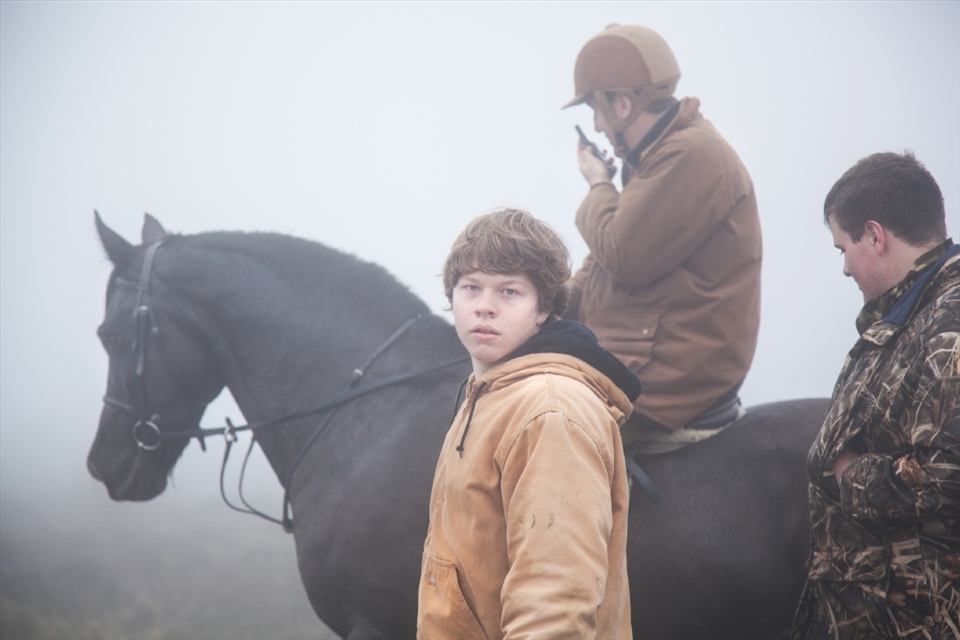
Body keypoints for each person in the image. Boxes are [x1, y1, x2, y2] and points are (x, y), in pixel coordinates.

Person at [416, 209, 641, 639]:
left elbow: (555, 601)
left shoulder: (550, 412)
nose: (485, 306)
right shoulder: (488, 391)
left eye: (509, 292)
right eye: (471, 288)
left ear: (544, 309)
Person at [563, 24, 762, 444]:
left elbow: (622, 253)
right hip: (637, 349)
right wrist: (543, 307)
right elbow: (605, 262)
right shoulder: (657, 155)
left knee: (548, 432)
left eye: (596, 110)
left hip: (667, 371)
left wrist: (599, 185)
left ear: (621, 104)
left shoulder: (689, 154)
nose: (597, 126)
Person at [791, 152, 959, 640]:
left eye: (842, 248)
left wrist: (851, 476)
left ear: (875, 235)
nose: (844, 268)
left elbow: (948, 473)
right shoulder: (910, 316)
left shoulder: (948, 321)